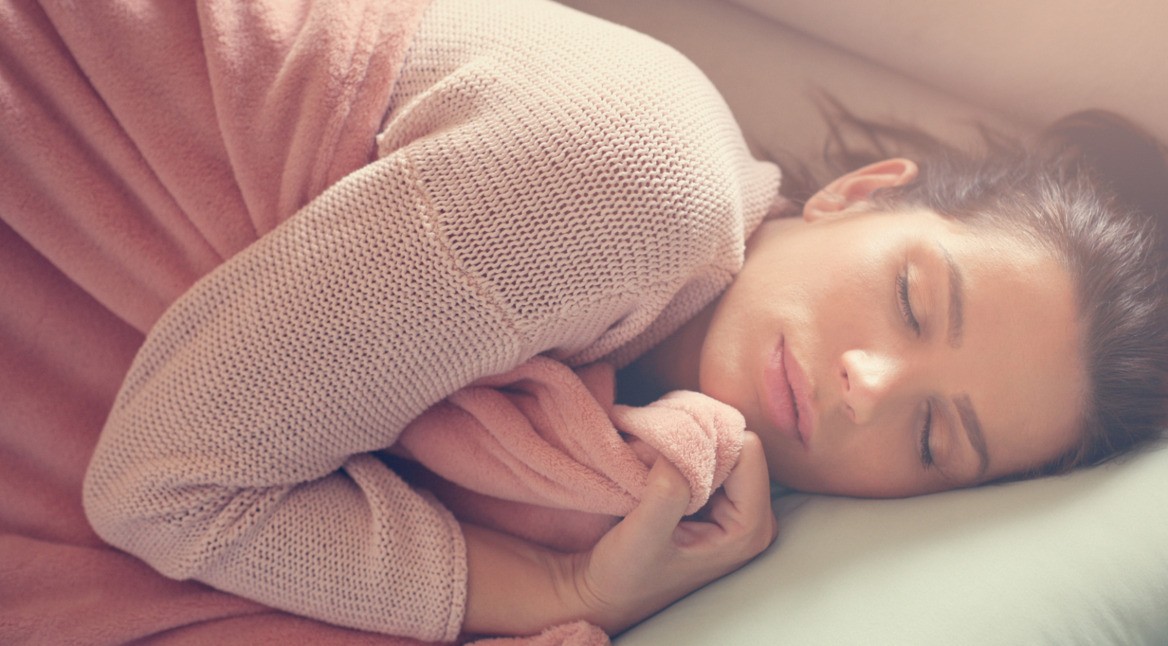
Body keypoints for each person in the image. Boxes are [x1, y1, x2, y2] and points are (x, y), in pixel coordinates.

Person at [73, 0, 1168, 643]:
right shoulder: (639, 187)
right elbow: (164, 490)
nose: (869, 386)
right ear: (861, 192)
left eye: (933, 440)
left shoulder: (646, 459)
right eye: (913, 297)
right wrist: (560, 597)